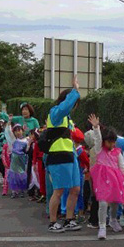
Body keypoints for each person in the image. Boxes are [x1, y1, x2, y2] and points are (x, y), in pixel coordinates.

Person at [45, 77, 83, 233]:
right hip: (58, 155)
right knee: (58, 190)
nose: (73, 107)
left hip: (70, 155)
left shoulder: (67, 119)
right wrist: (75, 91)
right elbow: (64, 107)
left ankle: (69, 219)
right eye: (73, 103)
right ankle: (53, 221)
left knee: (75, 189)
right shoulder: (55, 113)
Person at [87, 125, 124, 240]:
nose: (112, 145)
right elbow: (98, 138)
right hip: (102, 180)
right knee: (103, 203)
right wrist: (96, 128)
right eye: (109, 142)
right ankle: (102, 226)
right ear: (104, 142)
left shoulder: (117, 152)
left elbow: (123, 167)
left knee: (115, 201)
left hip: (115, 180)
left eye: (113, 142)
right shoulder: (99, 149)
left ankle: (113, 220)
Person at [5, 123, 29, 198]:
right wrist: (9, 122)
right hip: (14, 160)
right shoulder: (13, 140)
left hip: (22, 159)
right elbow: (8, 132)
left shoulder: (26, 140)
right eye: (16, 131)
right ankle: (14, 191)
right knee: (13, 175)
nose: (18, 132)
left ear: (22, 131)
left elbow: (27, 149)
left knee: (22, 175)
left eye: (19, 130)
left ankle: (22, 190)